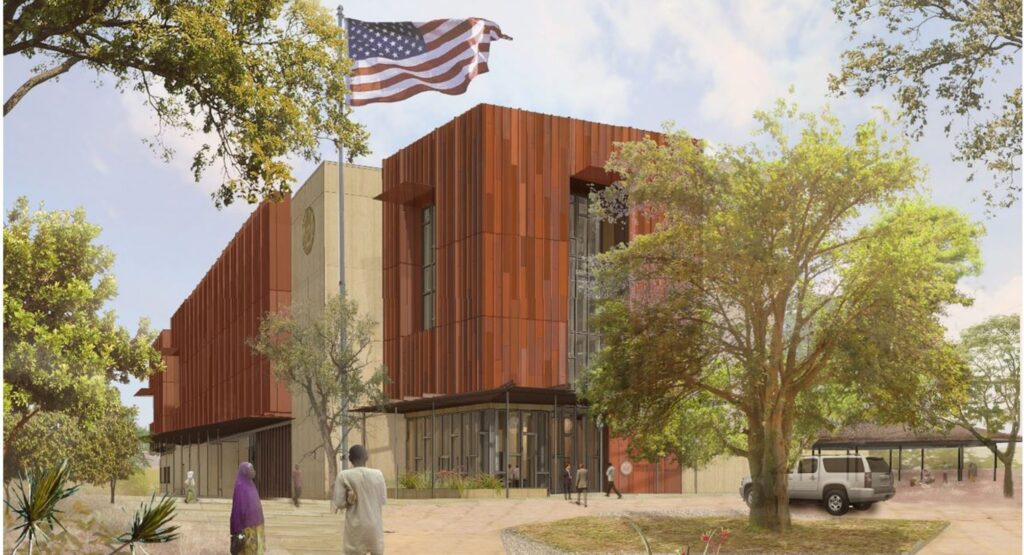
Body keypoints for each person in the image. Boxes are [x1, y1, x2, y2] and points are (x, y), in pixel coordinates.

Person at [334, 445, 387, 555]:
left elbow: (339, 503)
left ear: (350, 459)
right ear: (366, 458)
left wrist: (349, 499)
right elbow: (382, 500)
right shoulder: (378, 474)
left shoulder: (344, 476)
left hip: (355, 529)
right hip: (374, 528)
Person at [230, 462, 265, 555]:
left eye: (253, 469)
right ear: (244, 472)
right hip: (246, 527)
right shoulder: (240, 486)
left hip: (258, 525)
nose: (253, 472)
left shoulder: (251, 485)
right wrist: (236, 528)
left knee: (258, 550)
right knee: (247, 550)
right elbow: (237, 509)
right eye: (250, 469)